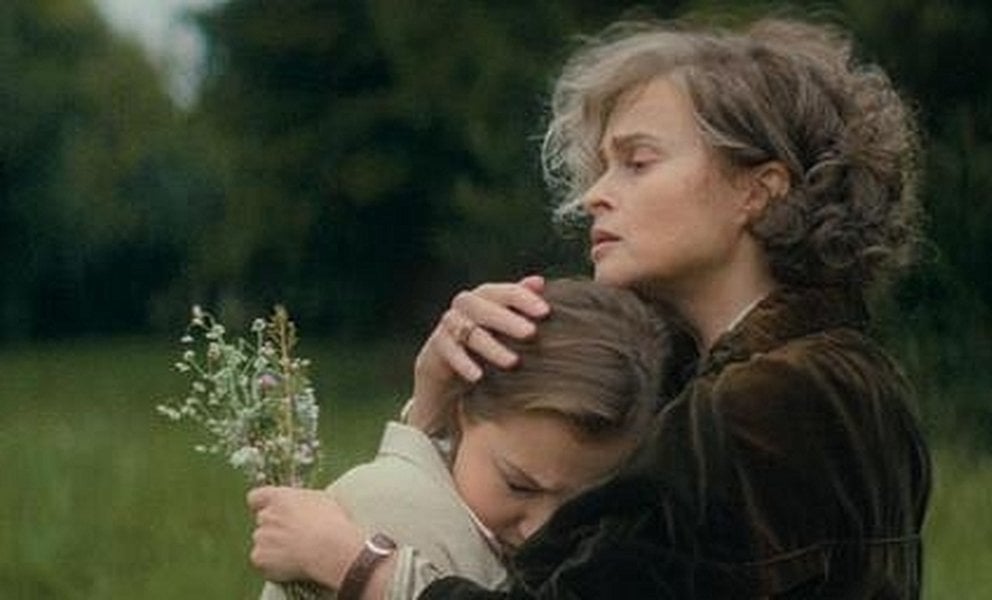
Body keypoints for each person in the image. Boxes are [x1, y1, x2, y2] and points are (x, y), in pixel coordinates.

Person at [257, 13, 933, 599]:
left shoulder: (775, 400)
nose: (594, 196)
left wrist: (354, 563)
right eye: (602, 166)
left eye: (637, 162)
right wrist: (439, 404)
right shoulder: (799, 378)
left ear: (756, 192)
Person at [248, 279, 674, 599]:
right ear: (461, 411)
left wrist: (358, 565)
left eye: (583, 508)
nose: (539, 529)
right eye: (519, 485)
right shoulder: (396, 511)